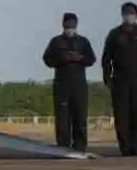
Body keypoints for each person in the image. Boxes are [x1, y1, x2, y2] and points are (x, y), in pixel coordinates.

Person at [41, 12, 96, 152]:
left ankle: (80, 146)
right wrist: (62, 59)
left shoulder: (83, 42)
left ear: (76, 25)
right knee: (62, 117)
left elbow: (91, 59)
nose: (70, 27)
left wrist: (80, 58)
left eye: (72, 25)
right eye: (67, 25)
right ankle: (63, 146)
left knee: (80, 115)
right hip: (62, 83)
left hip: (79, 84)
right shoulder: (56, 42)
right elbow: (47, 60)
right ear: (63, 25)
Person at [101, 1, 137, 156]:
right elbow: (106, 59)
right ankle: (125, 147)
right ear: (122, 15)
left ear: (136, 14)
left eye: (132, 12)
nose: (129, 15)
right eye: (126, 12)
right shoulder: (114, 34)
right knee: (122, 115)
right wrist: (107, 78)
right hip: (120, 80)